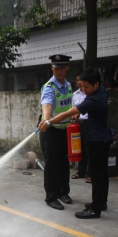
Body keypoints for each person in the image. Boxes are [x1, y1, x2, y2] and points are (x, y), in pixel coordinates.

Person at [38, 68, 111, 219]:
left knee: (97, 176)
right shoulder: (101, 91)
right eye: (81, 86)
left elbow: (68, 112)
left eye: (86, 87)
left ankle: (95, 208)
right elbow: (48, 103)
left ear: (96, 84)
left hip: (97, 140)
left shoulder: (93, 98)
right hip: (101, 137)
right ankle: (101, 202)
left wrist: (49, 122)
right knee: (101, 174)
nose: (83, 90)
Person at [39, 54, 73, 210]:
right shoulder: (49, 87)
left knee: (64, 162)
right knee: (52, 165)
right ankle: (51, 197)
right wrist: (46, 120)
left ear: (67, 67)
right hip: (50, 130)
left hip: (65, 129)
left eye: (62, 67)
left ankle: (63, 192)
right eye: (56, 68)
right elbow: (47, 104)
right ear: (52, 68)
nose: (59, 71)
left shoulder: (69, 85)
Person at [71, 71, 91, 183]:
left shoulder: (90, 94)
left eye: (81, 80)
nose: (79, 82)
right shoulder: (75, 95)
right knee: (80, 148)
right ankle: (81, 171)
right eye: (77, 80)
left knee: (89, 149)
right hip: (78, 124)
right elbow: (73, 109)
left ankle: (90, 173)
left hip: (89, 123)